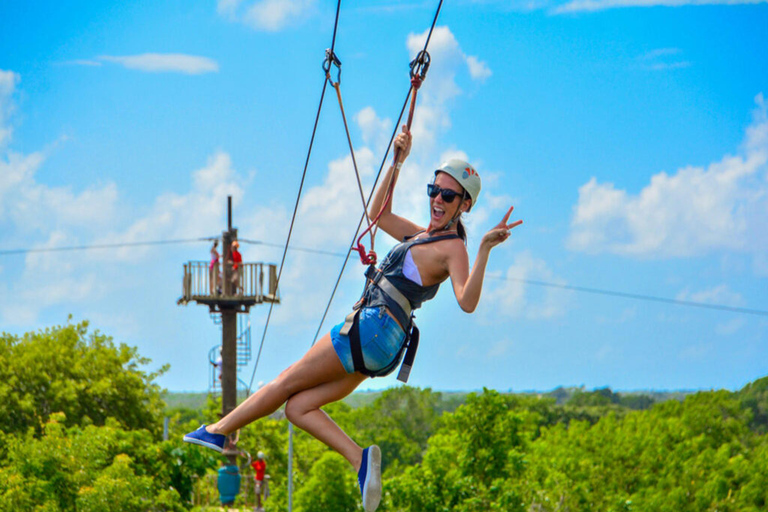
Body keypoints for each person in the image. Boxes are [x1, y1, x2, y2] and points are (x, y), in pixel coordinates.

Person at [184, 126, 522, 512]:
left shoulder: (454, 248)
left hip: (373, 328)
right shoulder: (422, 236)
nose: (437, 199)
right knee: (297, 407)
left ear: (465, 205)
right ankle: (360, 460)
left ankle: (219, 431)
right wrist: (396, 163)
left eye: (448, 195)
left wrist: (484, 249)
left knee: (286, 380)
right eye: (434, 190)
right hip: (383, 347)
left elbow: (467, 301)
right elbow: (378, 215)